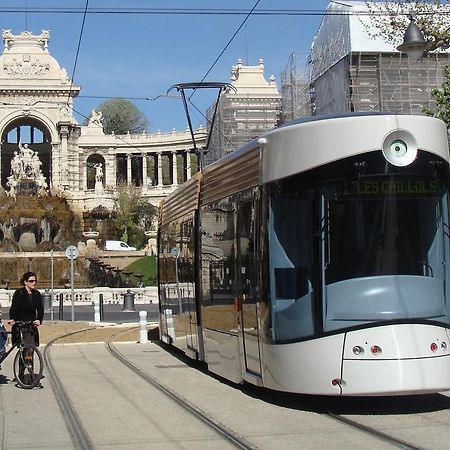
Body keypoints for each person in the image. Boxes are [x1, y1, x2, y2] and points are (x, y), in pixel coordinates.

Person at [9, 272, 44, 347]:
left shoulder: (36, 294)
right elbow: (14, 308)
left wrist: (39, 319)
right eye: (31, 281)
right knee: (23, 349)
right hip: (20, 325)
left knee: (31, 349)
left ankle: (28, 358)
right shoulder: (19, 293)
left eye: (35, 281)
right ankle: (22, 358)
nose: (34, 283)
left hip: (31, 325)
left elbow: (40, 309)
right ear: (25, 282)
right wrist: (12, 319)